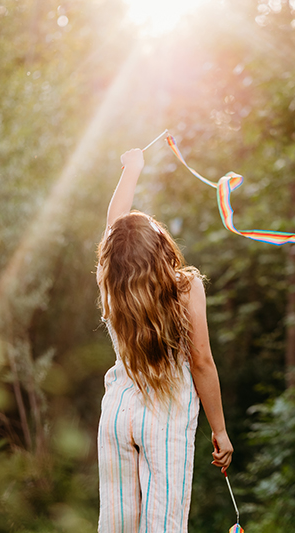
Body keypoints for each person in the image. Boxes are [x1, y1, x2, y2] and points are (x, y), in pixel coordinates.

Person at [96, 148, 233, 533]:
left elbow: (112, 228)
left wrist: (132, 170)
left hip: (118, 416)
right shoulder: (184, 287)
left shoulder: (111, 283)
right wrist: (219, 431)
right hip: (166, 419)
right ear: (159, 249)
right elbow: (202, 360)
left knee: (117, 527)